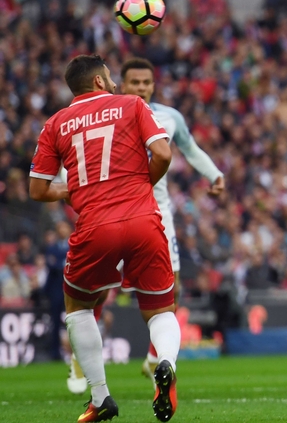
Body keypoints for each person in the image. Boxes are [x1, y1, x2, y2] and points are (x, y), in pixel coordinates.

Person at [29, 54, 180, 422]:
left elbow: (37, 189)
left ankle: (100, 398)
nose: (115, 83)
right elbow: (163, 153)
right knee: (161, 307)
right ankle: (166, 363)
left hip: (95, 224)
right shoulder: (132, 105)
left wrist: (73, 190)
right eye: (110, 77)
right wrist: (143, 184)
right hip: (144, 218)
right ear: (98, 82)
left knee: (78, 306)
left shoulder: (55, 123)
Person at [65, 57, 226, 394]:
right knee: (98, 293)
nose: (140, 88)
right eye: (134, 83)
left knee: (172, 291)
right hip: (110, 211)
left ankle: (156, 359)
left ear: (153, 85)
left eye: (146, 83)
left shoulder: (168, 117)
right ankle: (82, 357)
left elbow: (189, 149)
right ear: (118, 83)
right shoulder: (112, 114)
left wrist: (213, 174)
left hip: (156, 213)